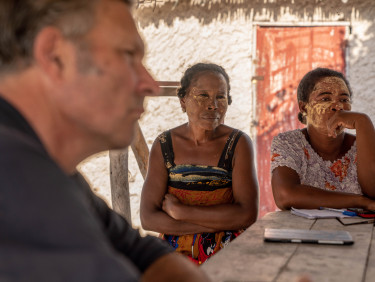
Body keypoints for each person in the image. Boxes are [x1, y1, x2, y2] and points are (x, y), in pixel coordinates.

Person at [0, 0, 211, 281]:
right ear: (55, 56)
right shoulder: (17, 178)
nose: (151, 84)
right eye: (128, 55)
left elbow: (143, 253)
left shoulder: (53, 172)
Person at [140, 63, 259, 264]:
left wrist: (181, 213)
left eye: (220, 97)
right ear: (183, 101)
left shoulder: (238, 144)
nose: (213, 105)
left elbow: (247, 214)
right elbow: (149, 218)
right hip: (175, 258)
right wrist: (215, 224)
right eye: (203, 95)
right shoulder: (164, 145)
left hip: (227, 255)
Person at [271, 67, 375, 210]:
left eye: (344, 99)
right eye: (325, 99)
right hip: (303, 231)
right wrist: (360, 201)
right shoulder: (289, 143)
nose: (338, 106)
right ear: (304, 108)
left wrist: (364, 123)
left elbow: (373, 191)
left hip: (359, 231)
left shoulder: (362, 144)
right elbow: (285, 196)